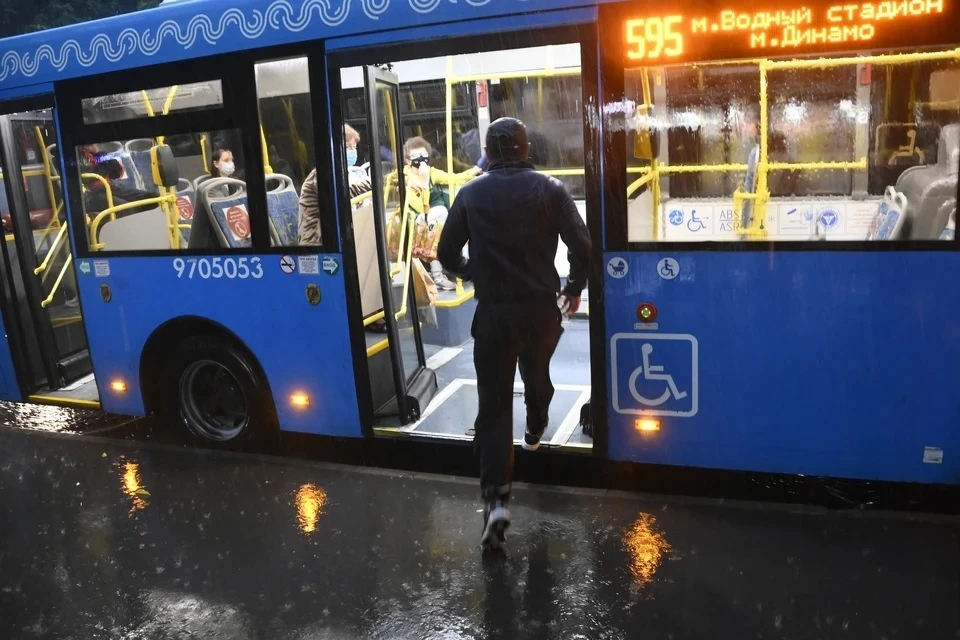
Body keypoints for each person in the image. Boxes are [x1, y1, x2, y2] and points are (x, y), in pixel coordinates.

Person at [436, 117, 591, 550]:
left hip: (495, 316)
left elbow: (447, 253)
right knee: (537, 377)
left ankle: (498, 502)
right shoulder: (551, 189)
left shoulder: (470, 193)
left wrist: (473, 271)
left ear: (490, 152)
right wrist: (573, 288)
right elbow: (584, 248)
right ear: (525, 149)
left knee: (494, 406)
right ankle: (538, 427)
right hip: (542, 312)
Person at [401, 136, 481, 290]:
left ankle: (461, 264)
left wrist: (472, 172)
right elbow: (419, 208)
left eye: (424, 156)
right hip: (416, 222)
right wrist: (424, 183)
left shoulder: (432, 172)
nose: (421, 161)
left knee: (452, 219)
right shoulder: (405, 178)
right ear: (407, 160)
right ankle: (439, 275)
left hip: (434, 221)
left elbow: (453, 178)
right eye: (416, 157)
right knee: (440, 214)